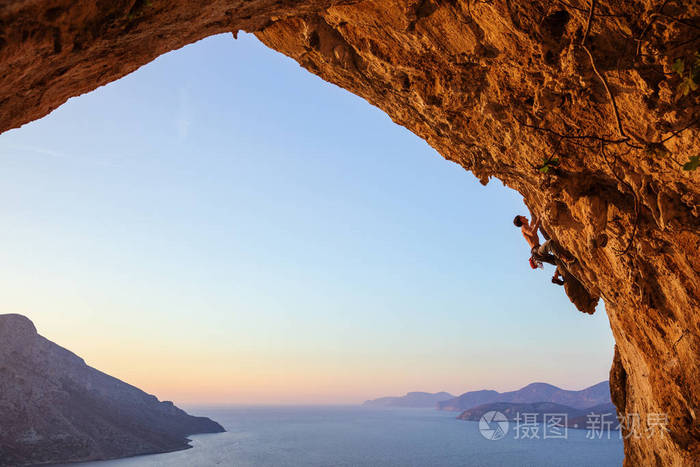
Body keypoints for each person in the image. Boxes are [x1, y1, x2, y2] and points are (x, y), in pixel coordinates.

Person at [514, 212, 565, 285]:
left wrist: (533, 214)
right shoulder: (523, 227)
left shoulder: (527, 226)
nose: (524, 216)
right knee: (550, 243)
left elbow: (532, 222)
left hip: (537, 253)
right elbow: (532, 233)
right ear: (521, 220)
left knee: (558, 261)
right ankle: (563, 257)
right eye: (522, 216)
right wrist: (538, 220)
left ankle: (555, 277)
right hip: (536, 251)